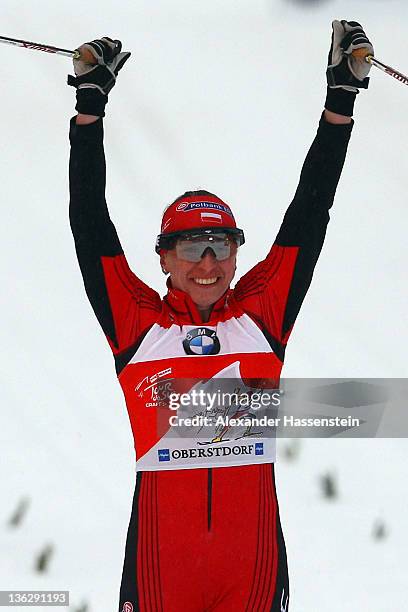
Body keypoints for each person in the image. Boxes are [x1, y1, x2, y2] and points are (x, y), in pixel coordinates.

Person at [68, 20, 373, 612]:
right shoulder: (138, 327)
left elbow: (310, 214)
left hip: (252, 569)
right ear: (163, 258)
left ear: (236, 253)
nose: (207, 263)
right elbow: (89, 225)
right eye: (189, 247)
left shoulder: (263, 316)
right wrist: (89, 111)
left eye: (221, 245)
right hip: (162, 572)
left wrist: (341, 101)